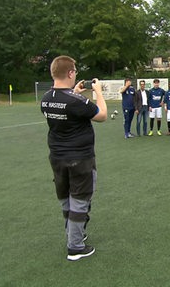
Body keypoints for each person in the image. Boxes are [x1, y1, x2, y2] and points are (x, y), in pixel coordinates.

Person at [41, 55, 107, 261]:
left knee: (66, 198)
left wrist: (75, 93)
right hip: (79, 158)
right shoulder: (76, 101)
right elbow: (102, 115)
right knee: (79, 200)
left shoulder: (45, 98)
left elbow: (66, 109)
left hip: (57, 157)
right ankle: (75, 246)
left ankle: (73, 234)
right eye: (75, 71)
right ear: (70, 73)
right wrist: (97, 92)